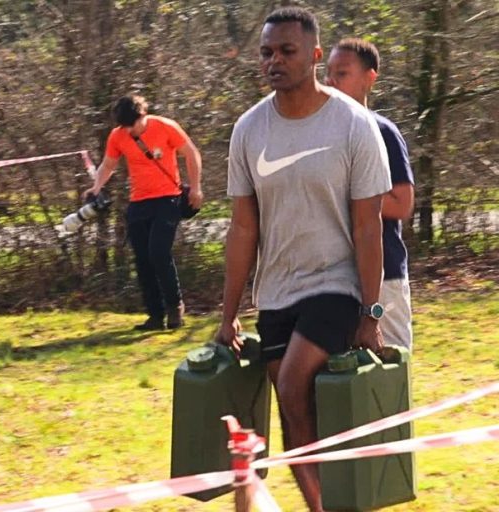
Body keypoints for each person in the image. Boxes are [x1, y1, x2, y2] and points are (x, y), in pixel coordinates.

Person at [215, 8, 391, 511]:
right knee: (294, 409)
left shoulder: (354, 124)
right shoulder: (248, 130)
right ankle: (323, 505)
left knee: (293, 385)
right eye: (267, 52)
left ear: (314, 55)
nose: (275, 61)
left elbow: (368, 225)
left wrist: (370, 312)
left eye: (287, 51)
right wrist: (228, 314)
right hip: (276, 292)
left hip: (335, 286)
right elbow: (243, 228)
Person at [84, 94, 203, 330]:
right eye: (124, 126)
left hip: (168, 198)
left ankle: (175, 307)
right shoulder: (118, 135)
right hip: (139, 202)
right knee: (142, 259)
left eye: (133, 125)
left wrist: (196, 188)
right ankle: (155, 316)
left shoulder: (165, 127)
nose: (130, 131)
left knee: (159, 252)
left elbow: (192, 154)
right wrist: (96, 186)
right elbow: (108, 164)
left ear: (143, 115)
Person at [326, 38, 415, 351]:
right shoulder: (321, 136)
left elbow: (402, 203)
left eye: (342, 73)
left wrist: (350, 201)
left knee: (389, 373)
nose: (331, 81)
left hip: (384, 276)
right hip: (332, 279)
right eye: (328, 73)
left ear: (369, 77)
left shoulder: (383, 132)